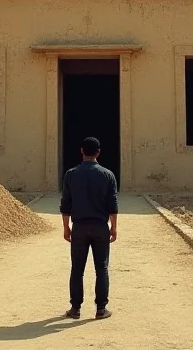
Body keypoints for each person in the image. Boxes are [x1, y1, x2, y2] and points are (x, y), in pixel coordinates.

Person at [59, 136, 119, 320]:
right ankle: (101, 309)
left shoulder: (71, 174)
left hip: (79, 227)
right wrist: (113, 228)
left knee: (77, 268)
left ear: (81, 151)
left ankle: (75, 308)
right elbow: (113, 205)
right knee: (102, 268)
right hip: (100, 227)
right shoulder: (108, 174)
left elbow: (65, 204)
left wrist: (66, 228)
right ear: (98, 153)